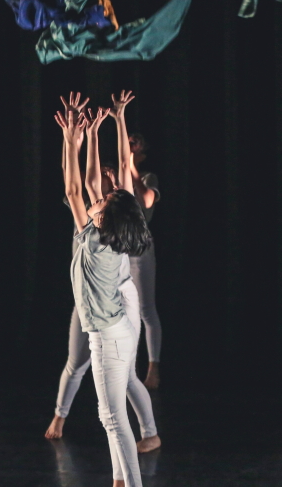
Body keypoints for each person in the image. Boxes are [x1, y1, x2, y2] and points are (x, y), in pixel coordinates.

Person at [44, 93, 161, 453]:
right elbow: (86, 184)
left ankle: (147, 433)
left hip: (115, 299)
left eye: (104, 197)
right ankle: (61, 415)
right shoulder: (100, 216)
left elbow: (80, 186)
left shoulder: (104, 225)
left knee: (122, 377)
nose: (98, 194)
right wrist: (90, 135)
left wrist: (77, 138)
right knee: (77, 363)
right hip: (95, 297)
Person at [125, 130, 163, 389]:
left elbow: (147, 201)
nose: (129, 145)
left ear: (143, 152)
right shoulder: (114, 174)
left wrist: (130, 167)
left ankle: (153, 369)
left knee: (145, 310)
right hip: (118, 250)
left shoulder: (147, 177)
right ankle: (127, 369)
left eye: (134, 143)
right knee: (123, 313)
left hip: (140, 251)